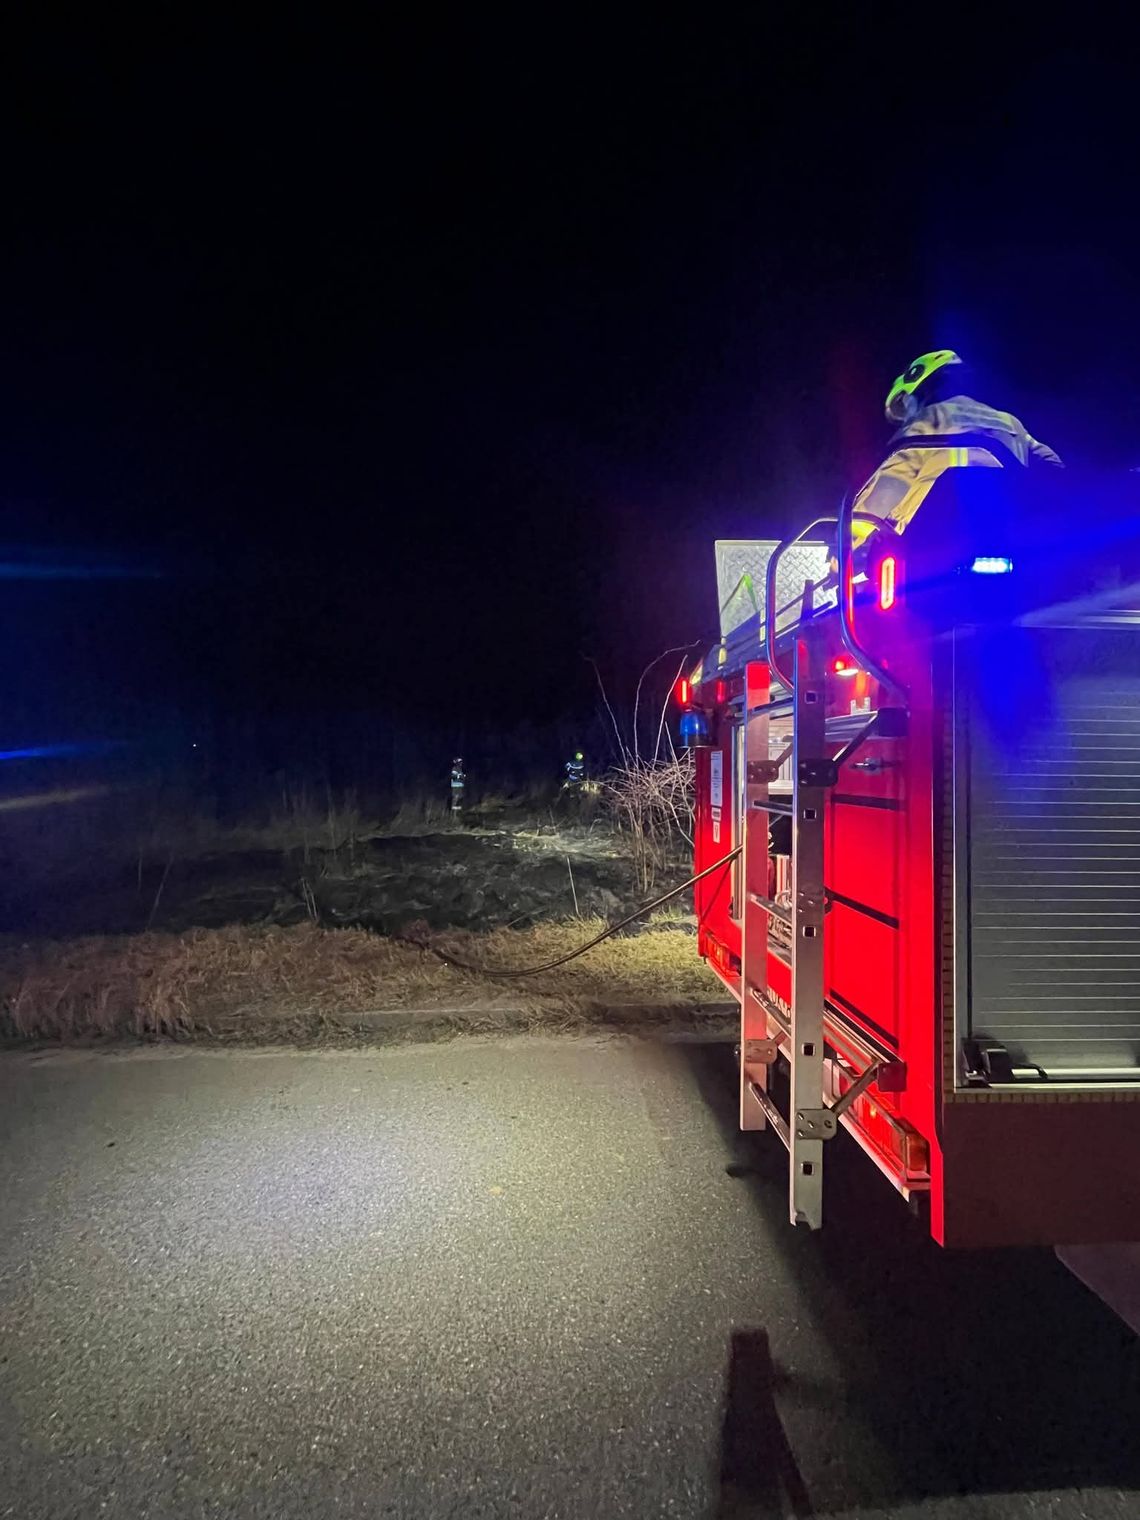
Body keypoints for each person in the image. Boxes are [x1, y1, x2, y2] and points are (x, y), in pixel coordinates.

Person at [851, 349, 1063, 538]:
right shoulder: (1009, 421)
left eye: (906, 404)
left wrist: (847, 543)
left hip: (932, 546)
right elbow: (1053, 467)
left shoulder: (927, 419)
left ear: (920, 390)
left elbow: (887, 491)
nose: (907, 415)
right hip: (1015, 537)